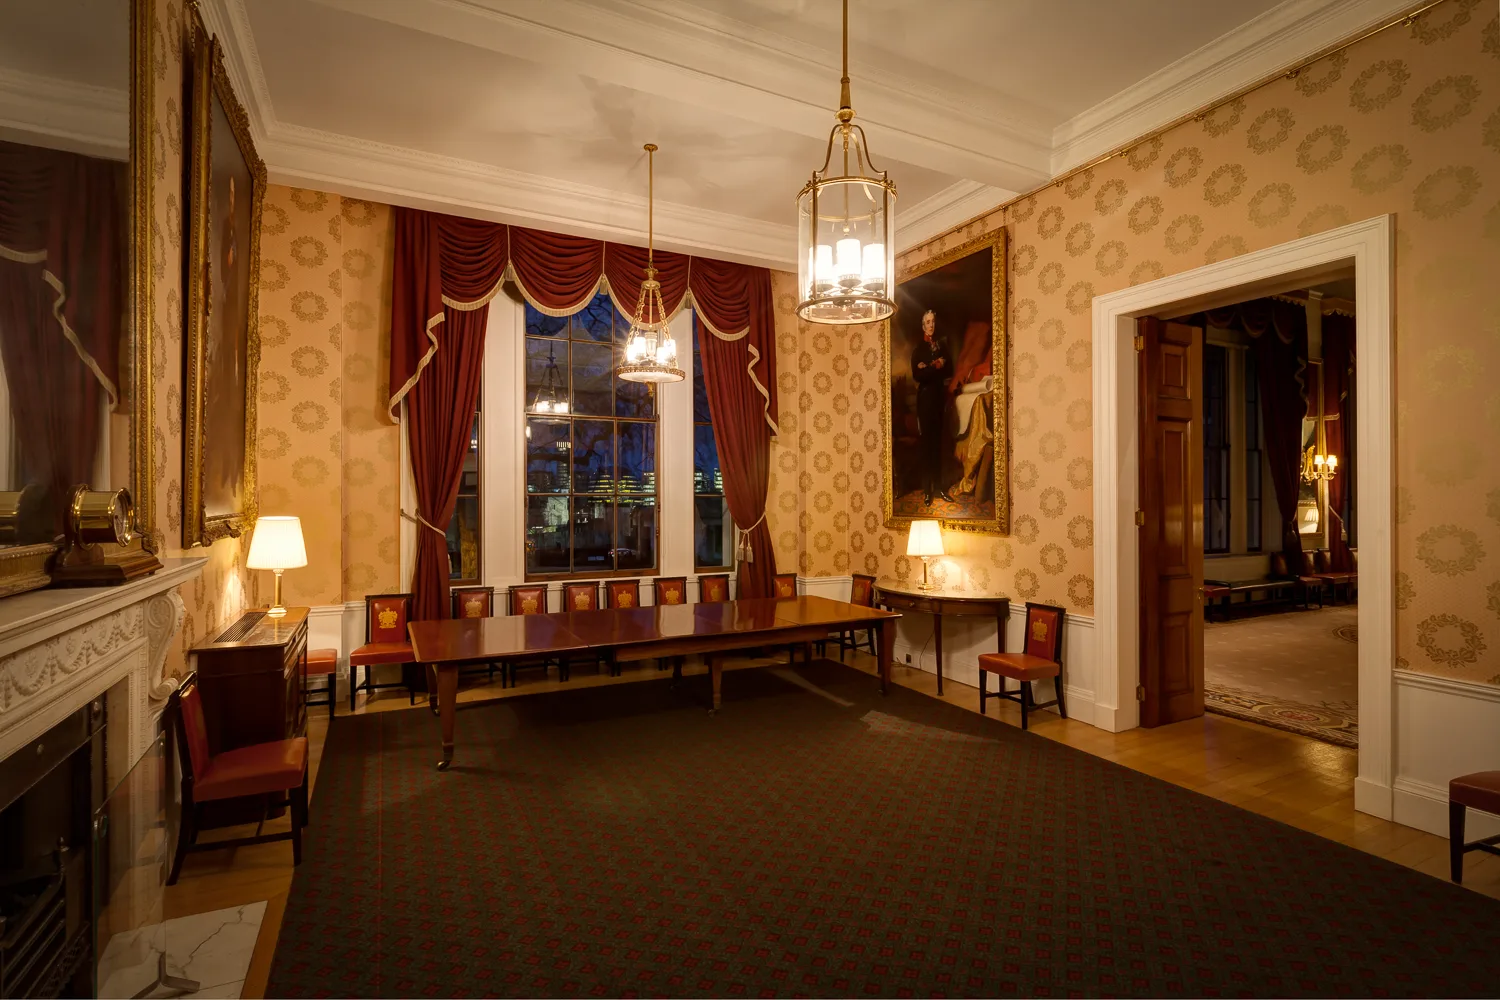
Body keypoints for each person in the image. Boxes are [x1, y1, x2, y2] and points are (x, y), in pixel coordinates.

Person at [910, 309, 952, 504]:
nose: (931, 325)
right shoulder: (918, 348)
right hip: (925, 400)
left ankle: (940, 489)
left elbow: (948, 369)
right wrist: (935, 366)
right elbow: (917, 376)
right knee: (927, 447)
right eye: (928, 322)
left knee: (938, 446)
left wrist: (927, 367)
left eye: (933, 321)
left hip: (938, 400)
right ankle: (928, 491)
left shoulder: (942, 347)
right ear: (923, 326)